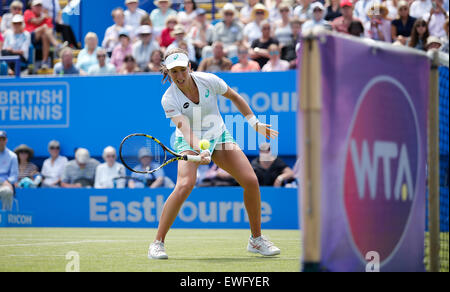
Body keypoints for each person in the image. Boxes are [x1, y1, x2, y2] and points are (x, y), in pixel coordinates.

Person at [148, 48, 280, 259]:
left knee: (251, 181)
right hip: (189, 140)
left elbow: (235, 97)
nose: (180, 76)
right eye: (174, 72)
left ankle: (256, 240)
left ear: (190, 67)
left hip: (219, 135)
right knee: (184, 185)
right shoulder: (168, 99)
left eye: (183, 70)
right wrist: (201, 149)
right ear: (168, 73)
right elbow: (184, 128)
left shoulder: (209, 80)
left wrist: (254, 123)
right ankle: (157, 243)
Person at [24, 0, 62, 68]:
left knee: (45, 35)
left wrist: (45, 18)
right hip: (29, 37)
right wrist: (43, 17)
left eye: (40, 6)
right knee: (44, 27)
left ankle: (44, 62)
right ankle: (57, 45)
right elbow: (36, 21)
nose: (38, 7)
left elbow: (50, 30)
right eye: (36, 6)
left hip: (41, 39)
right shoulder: (28, 12)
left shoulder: (46, 16)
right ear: (32, 7)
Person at [0, 131, 18, 211]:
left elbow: (14, 175)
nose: (1, 141)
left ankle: (5, 216)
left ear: (6, 140)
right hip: (4, 182)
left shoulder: (12, 156)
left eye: (2, 139)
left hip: (6, 184)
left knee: (6, 191)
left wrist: (7, 182)